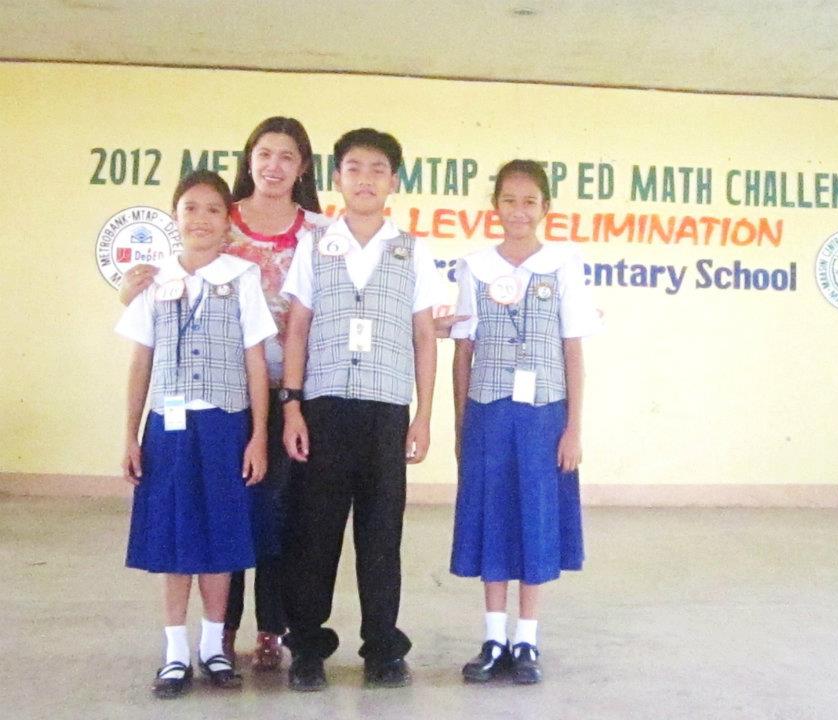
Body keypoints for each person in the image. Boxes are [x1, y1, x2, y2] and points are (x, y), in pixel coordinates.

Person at [120, 117, 328, 670]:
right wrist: (132, 291)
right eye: (264, 153)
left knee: (274, 515)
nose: (274, 165)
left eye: (287, 156)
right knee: (220, 517)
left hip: (292, 392)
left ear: (302, 167)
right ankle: (220, 635)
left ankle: (271, 628)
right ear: (249, 159)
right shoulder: (221, 218)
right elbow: (149, 328)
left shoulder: (319, 231)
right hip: (216, 396)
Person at [280, 128, 442, 691]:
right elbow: (297, 328)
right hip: (323, 407)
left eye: (378, 169)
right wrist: (292, 406)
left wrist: (423, 416)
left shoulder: (413, 250)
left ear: (394, 181)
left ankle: (382, 648)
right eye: (354, 167)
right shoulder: (314, 245)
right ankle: (306, 648)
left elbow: (425, 336)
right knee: (315, 534)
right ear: (337, 178)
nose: (365, 179)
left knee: (380, 535)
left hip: (386, 411)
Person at [116, 170, 276, 698]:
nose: (201, 219)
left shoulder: (243, 277)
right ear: (175, 216)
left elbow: (256, 361)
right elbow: (141, 362)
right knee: (174, 536)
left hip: (225, 425)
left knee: (220, 536)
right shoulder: (153, 280)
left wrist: (258, 434)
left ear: (228, 220)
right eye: (190, 208)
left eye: (213, 209)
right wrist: (130, 435)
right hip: (168, 428)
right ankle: (175, 652)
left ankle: (213, 646)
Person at [449, 160, 600, 685]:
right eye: (509, 200)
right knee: (493, 518)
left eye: (529, 201)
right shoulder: (474, 268)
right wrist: (461, 425)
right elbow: (463, 353)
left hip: (544, 417)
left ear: (545, 208)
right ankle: (494, 637)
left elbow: (572, 350)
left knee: (535, 520)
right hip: (488, 414)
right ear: (495, 206)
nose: (518, 211)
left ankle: (527, 639)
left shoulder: (564, 265)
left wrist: (574, 428)